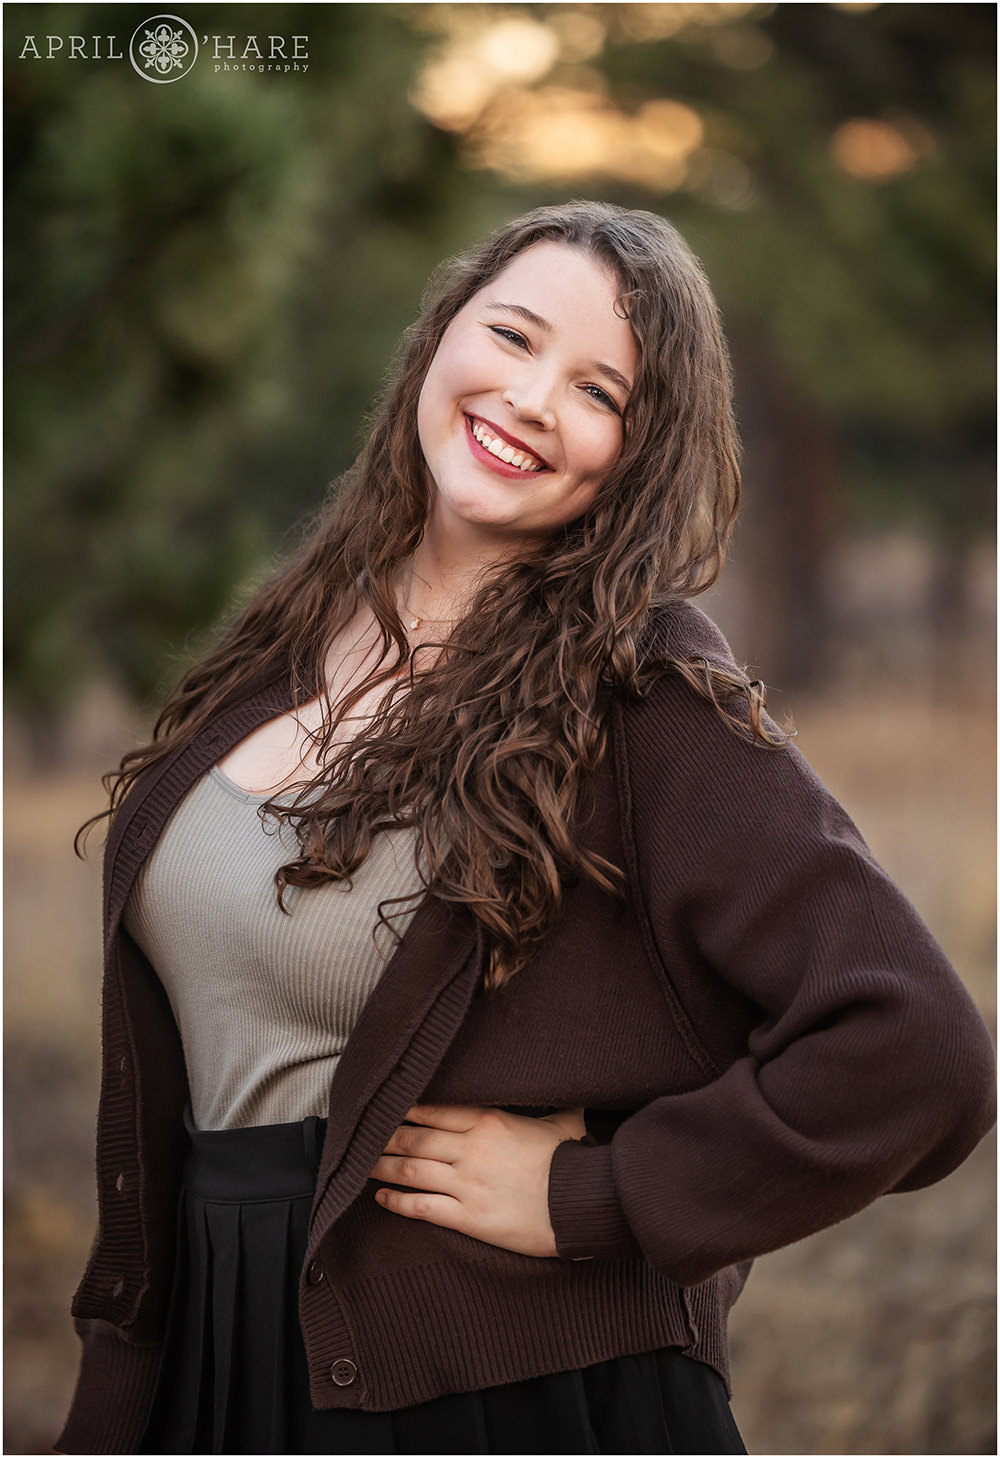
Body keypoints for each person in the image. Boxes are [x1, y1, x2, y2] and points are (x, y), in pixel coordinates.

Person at [57, 201, 994, 1457]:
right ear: (440, 336)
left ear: (637, 452)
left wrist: (602, 1192)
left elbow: (918, 1052)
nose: (534, 398)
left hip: (509, 1395)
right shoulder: (289, 636)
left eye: (600, 390)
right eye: (511, 334)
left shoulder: (645, 691)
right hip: (224, 1358)